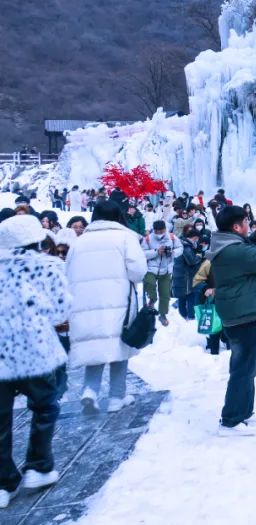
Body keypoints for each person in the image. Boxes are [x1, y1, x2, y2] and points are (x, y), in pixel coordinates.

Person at [0, 215, 72, 508]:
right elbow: (60, 311)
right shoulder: (48, 266)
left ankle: (3, 483)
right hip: (36, 351)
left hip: (1, 354)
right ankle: (38, 465)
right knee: (45, 407)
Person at [206, 205, 256, 436]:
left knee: (247, 366)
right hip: (242, 314)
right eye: (247, 223)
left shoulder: (228, 245)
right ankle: (230, 420)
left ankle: (243, 412)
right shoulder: (234, 251)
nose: (250, 225)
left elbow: (245, 249)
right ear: (236, 227)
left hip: (241, 310)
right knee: (243, 367)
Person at [65, 201, 148, 414]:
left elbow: (67, 272)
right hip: (117, 302)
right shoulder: (125, 238)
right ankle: (116, 398)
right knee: (119, 348)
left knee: (95, 346)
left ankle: (90, 391)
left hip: (84, 303)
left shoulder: (80, 241)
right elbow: (138, 272)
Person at [141, 221, 181, 327]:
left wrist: (173, 252)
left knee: (165, 294)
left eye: (161, 230)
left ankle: (163, 314)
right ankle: (152, 299)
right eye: (156, 230)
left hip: (166, 269)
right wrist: (156, 252)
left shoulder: (172, 237)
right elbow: (142, 253)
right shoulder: (148, 239)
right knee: (150, 284)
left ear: (165, 229)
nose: (159, 232)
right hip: (151, 269)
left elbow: (180, 248)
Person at [172, 228, 203, 320]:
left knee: (182, 296)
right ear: (194, 237)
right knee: (190, 296)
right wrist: (198, 256)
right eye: (197, 239)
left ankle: (184, 316)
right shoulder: (186, 247)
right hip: (185, 276)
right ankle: (190, 317)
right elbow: (192, 261)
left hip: (180, 274)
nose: (197, 241)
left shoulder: (181, 244)